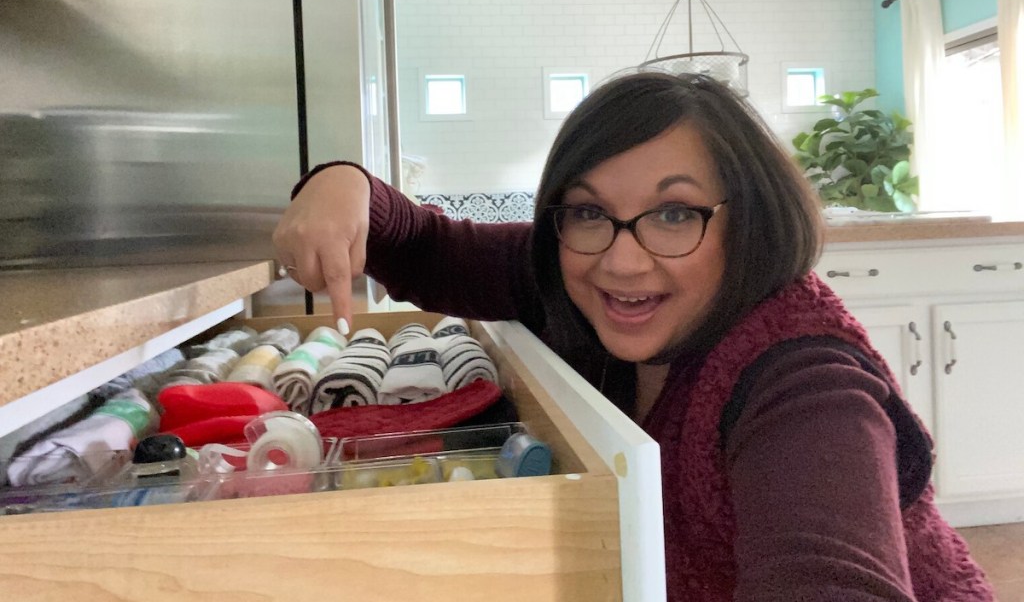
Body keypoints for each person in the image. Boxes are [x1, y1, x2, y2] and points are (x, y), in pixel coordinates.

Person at [273, 72, 994, 601]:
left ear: (748, 220)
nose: (622, 259)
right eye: (588, 211)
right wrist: (344, 182)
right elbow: (426, 246)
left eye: (674, 214)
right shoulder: (572, 279)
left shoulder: (804, 382)